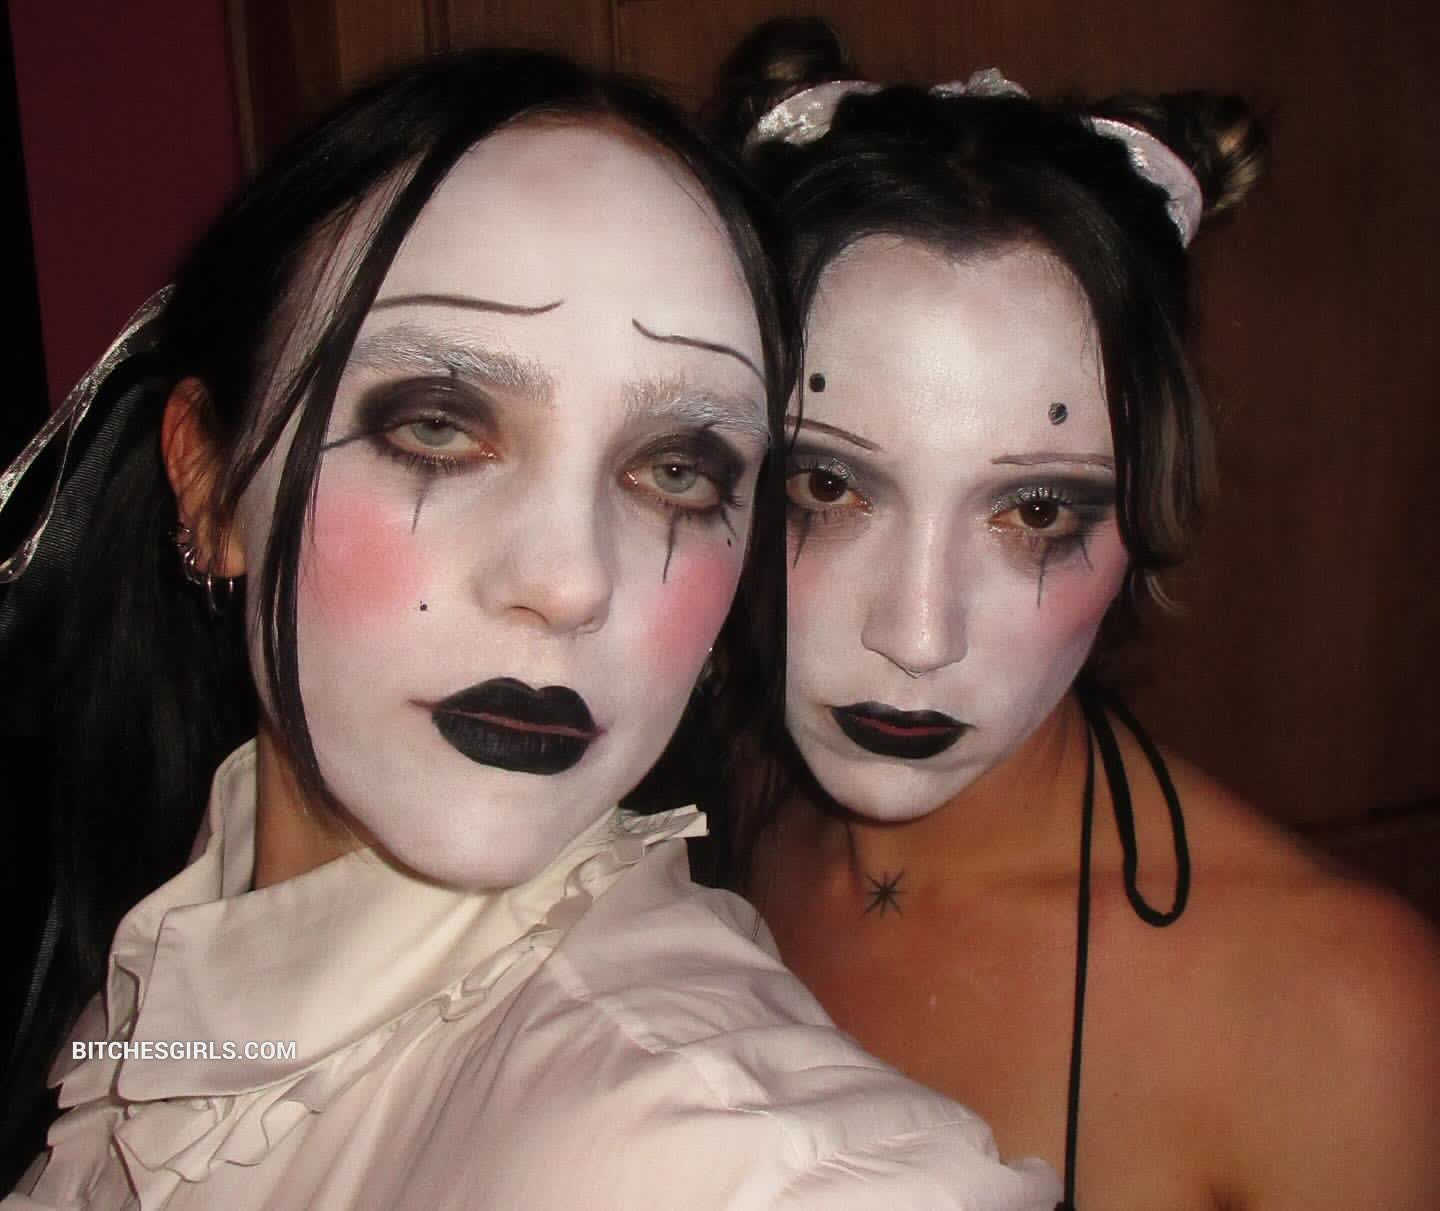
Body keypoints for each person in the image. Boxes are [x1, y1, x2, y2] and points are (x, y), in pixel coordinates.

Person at [0, 48, 1062, 1210]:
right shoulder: (158, 963)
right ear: (209, 485)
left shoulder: (760, 1166)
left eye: (677, 470)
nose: (568, 583)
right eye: (439, 427)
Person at [709, 19, 1440, 1211]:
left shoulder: (1340, 1015)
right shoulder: (722, 797)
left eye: (1037, 509)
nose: (919, 635)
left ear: (1149, 509)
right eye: (826, 485)